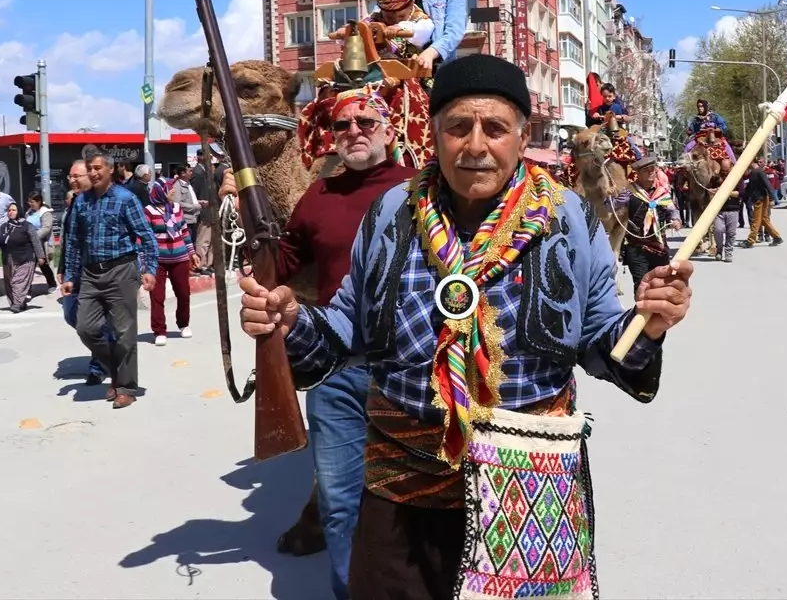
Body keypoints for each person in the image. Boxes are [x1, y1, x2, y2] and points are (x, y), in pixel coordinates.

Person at [238, 54, 694, 598]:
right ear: (433, 135)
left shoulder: (569, 216)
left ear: (522, 138)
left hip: (528, 485)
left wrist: (649, 324)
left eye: (495, 128)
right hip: (399, 488)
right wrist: (292, 321)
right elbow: (345, 331)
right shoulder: (390, 212)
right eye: (458, 127)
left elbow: (600, 344)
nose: (475, 145)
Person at [222, 83, 415, 599]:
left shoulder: (421, 189)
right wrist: (256, 259)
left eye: (365, 123)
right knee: (339, 500)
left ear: (388, 131)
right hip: (335, 366)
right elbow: (288, 258)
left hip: (408, 366)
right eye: (342, 126)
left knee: (415, 500)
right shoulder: (318, 195)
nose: (353, 132)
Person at [61, 151, 158, 409]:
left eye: (97, 168)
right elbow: (74, 242)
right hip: (91, 274)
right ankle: (116, 368)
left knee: (125, 333)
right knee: (86, 327)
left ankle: (125, 387)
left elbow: (147, 236)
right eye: (89, 169)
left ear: (110, 170)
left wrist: (150, 269)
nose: (92, 173)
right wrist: (70, 275)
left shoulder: (126, 199)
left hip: (122, 271)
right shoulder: (82, 202)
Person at [58, 161, 111, 385]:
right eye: (70, 176)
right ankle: (109, 350)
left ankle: (99, 365)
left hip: (101, 272)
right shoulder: (75, 204)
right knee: (72, 315)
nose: (72, 180)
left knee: (95, 321)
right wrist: (64, 269)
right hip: (77, 273)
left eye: (76, 176)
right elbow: (69, 240)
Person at [144, 177, 199, 346]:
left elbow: (184, 232)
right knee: (157, 297)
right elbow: (145, 238)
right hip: (157, 260)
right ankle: (159, 331)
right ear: (161, 192)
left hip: (180, 258)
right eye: (169, 189)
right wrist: (144, 264)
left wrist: (192, 253)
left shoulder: (176, 208)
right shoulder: (148, 211)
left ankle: (183, 324)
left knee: (183, 293)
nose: (173, 191)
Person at [615, 156, 681, 288]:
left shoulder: (662, 192)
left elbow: (672, 210)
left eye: (653, 169)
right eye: (646, 170)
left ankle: (658, 309)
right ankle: (642, 309)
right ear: (638, 173)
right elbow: (611, 209)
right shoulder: (628, 192)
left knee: (661, 284)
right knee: (641, 285)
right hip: (637, 247)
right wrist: (611, 199)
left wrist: (676, 220)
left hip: (659, 247)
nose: (651, 172)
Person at [0, 202, 44, 313]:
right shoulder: (5, 226)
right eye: (9, 210)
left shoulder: (27, 226)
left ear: (19, 212)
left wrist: (40, 256)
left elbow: (36, 241)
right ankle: (18, 302)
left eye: (14, 210)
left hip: (25, 259)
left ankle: (17, 304)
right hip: (8, 259)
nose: (11, 212)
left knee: (17, 282)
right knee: (9, 283)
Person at [738, 157, 783, 249]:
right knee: (764, 219)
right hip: (759, 198)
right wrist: (740, 195)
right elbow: (749, 188)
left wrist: (773, 199)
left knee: (756, 220)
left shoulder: (759, 172)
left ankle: (750, 241)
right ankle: (777, 237)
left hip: (761, 199)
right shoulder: (753, 173)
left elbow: (768, 185)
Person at [712, 158, 744, 261]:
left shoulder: (737, 178)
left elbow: (741, 193)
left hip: (732, 209)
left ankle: (728, 252)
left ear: (731, 167)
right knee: (718, 230)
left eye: (727, 169)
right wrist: (713, 191)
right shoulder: (716, 178)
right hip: (719, 209)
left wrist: (726, 192)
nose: (725, 172)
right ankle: (719, 250)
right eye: (723, 169)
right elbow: (710, 189)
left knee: (731, 232)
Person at [25, 191, 57, 290]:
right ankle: (27, 289)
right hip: (29, 244)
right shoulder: (29, 212)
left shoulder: (45, 212)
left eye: (32, 202)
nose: (30, 204)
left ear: (39, 202)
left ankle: (52, 284)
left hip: (42, 243)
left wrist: (34, 236)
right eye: (29, 202)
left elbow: (46, 228)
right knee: (29, 265)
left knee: (43, 265)